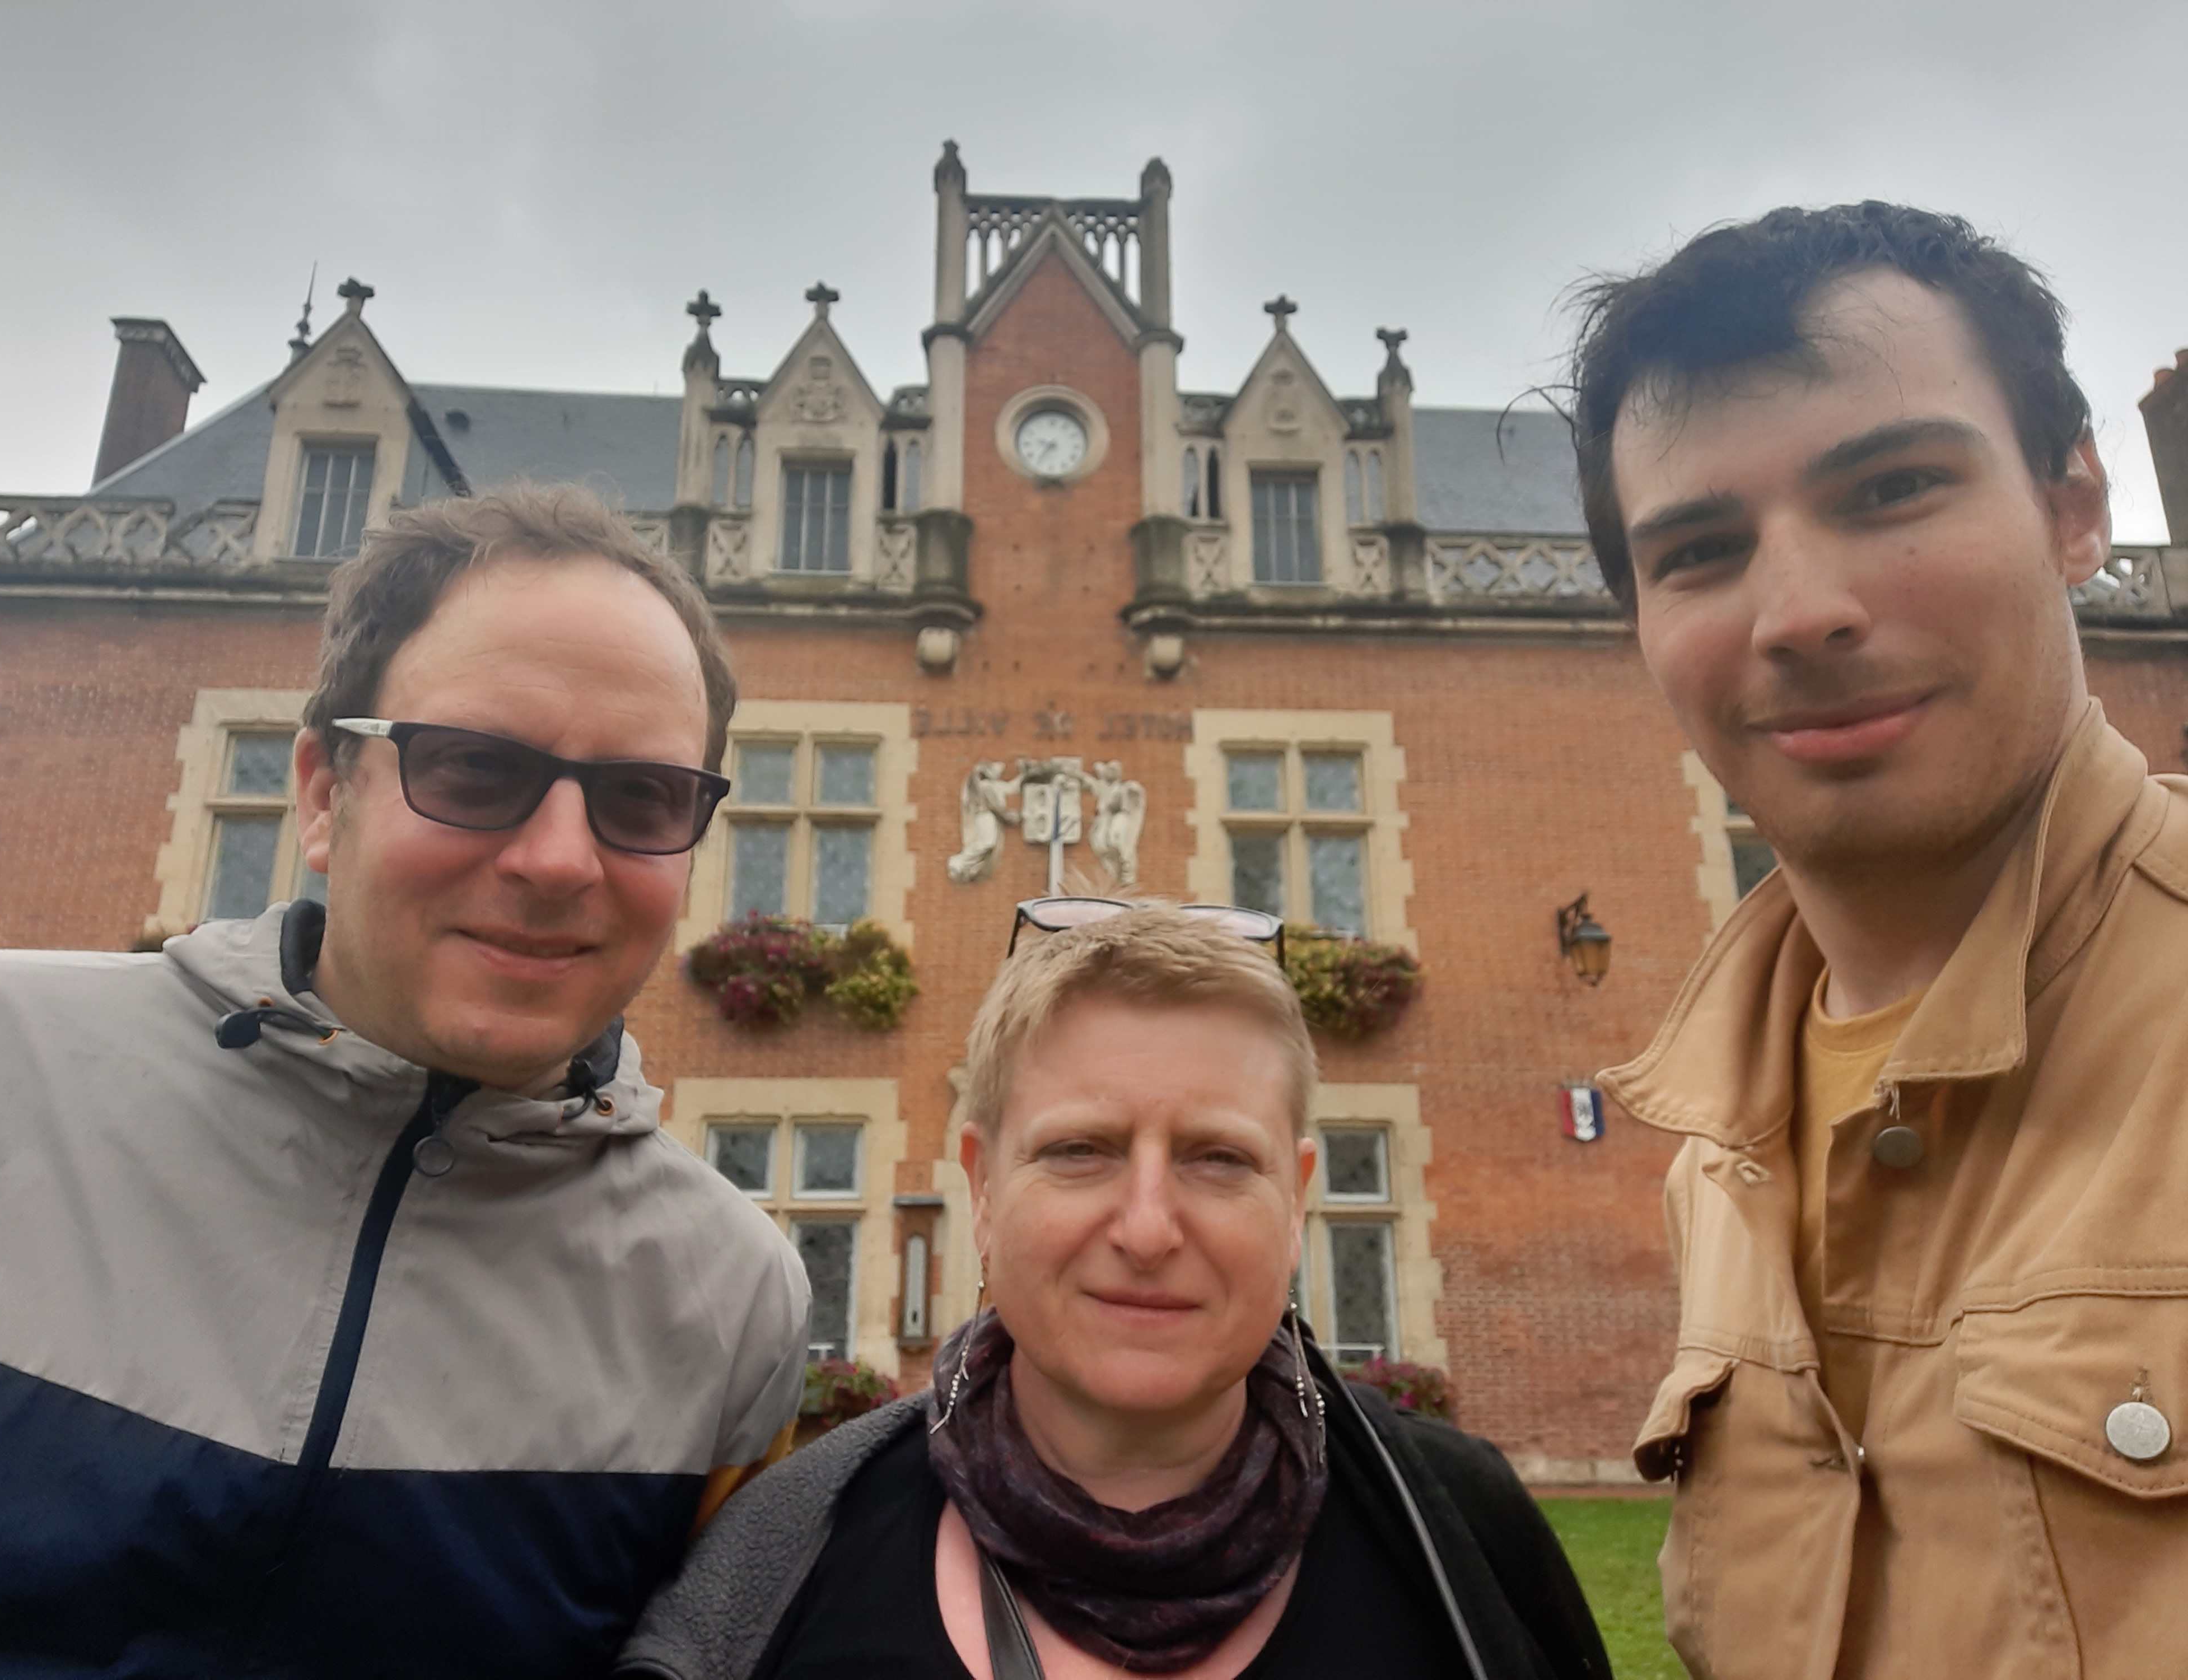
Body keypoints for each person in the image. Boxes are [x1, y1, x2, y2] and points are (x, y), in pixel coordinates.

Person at [0, 485, 809, 1677]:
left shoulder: (729, 1301)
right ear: (319, 790)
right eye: (469, 769)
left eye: (640, 798)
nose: (559, 860)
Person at [1571, 204, 2188, 1677]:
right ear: (1641, 623)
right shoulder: (1719, 1160)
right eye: (1702, 549)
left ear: (2078, 505)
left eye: (1896, 486)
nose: (1803, 611)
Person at [622, 902, 1609, 1680]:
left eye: (1220, 1157)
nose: (1146, 1228)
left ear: (1298, 1197)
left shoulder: (1458, 1533)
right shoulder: (791, 1553)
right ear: (983, 1185)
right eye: (1080, 1151)